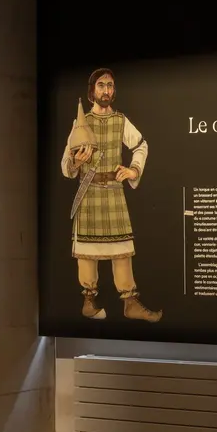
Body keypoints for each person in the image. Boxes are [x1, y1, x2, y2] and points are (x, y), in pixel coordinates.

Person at [61, 67, 162, 322]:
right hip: (89, 192)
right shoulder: (81, 122)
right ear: (92, 90)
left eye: (110, 85)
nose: (106, 90)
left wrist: (133, 170)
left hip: (114, 192)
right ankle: (88, 300)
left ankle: (130, 302)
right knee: (87, 251)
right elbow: (66, 166)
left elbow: (141, 145)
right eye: (101, 85)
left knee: (122, 250)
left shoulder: (120, 120)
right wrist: (75, 161)